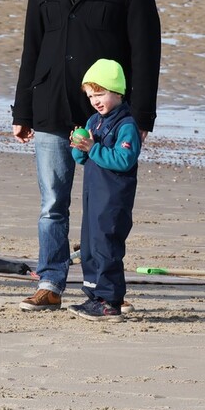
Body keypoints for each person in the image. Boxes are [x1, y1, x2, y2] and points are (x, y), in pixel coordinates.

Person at [12, 0, 161, 312]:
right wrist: (22, 110)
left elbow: (146, 48)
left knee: (105, 210)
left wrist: (143, 111)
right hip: (52, 105)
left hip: (108, 114)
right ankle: (51, 282)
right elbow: (31, 45)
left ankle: (105, 290)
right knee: (52, 203)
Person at [68, 59, 141, 322]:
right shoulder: (94, 120)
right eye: (90, 96)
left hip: (114, 198)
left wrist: (93, 148)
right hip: (93, 196)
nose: (95, 101)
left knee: (107, 246)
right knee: (89, 245)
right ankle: (95, 297)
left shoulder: (127, 125)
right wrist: (78, 146)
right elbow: (81, 159)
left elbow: (124, 160)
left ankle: (111, 301)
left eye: (100, 94)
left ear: (117, 92)